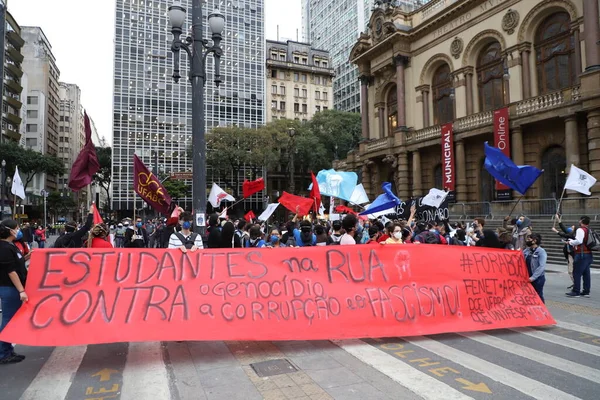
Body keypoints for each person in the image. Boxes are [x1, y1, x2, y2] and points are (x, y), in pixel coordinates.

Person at [0, 219, 28, 364]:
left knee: (11, 320)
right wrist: (21, 290)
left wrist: (28, 257)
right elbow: (11, 271)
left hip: (13, 288)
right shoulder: (4, 247)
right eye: (16, 228)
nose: (18, 230)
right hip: (10, 288)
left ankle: (7, 350)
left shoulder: (10, 246)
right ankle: (3, 353)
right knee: (8, 321)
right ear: (9, 231)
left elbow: (17, 262)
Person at [567, 216, 593, 297]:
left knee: (576, 273)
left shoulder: (580, 229)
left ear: (581, 221)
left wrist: (570, 242)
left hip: (581, 254)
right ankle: (586, 291)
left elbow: (579, 241)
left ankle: (576, 291)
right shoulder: (589, 230)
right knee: (586, 273)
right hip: (589, 254)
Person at [552, 214, 576, 290]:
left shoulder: (573, 236)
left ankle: (576, 284)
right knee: (570, 271)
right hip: (569, 255)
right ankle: (575, 283)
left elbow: (565, 233)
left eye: (572, 227)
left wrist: (556, 231)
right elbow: (563, 228)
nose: (570, 227)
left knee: (571, 271)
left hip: (573, 255)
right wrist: (558, 219)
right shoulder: (569, 234)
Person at [523, 233, 547, 303]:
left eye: (529, 239)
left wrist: (533, 278)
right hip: (528, 277)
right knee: (529, 296)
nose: (527, 240)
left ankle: (542, 311)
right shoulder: (527, 250)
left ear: (534, 241)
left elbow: (541, 266)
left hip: (537, 279)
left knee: (538, 295)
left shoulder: (541, 252)